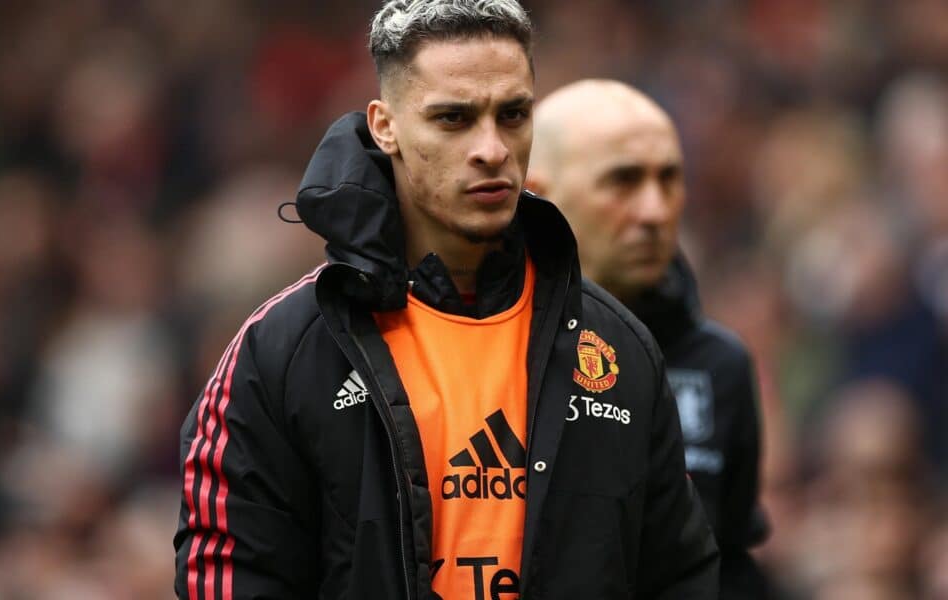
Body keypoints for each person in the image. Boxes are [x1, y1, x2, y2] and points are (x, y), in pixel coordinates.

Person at [174, 3, 718, 599]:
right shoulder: (282, 351)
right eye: (454, 119)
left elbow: (679, 576)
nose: (492, 148)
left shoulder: (619, 348)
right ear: (386, 127)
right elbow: (229, 580)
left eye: (512, 115)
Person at [526, 79, 769, 598]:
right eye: (623, 181)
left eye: (669, 178)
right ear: (539, 196)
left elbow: (731, 560)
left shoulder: (719, 366)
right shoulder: (485, 349)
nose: (655, 211)